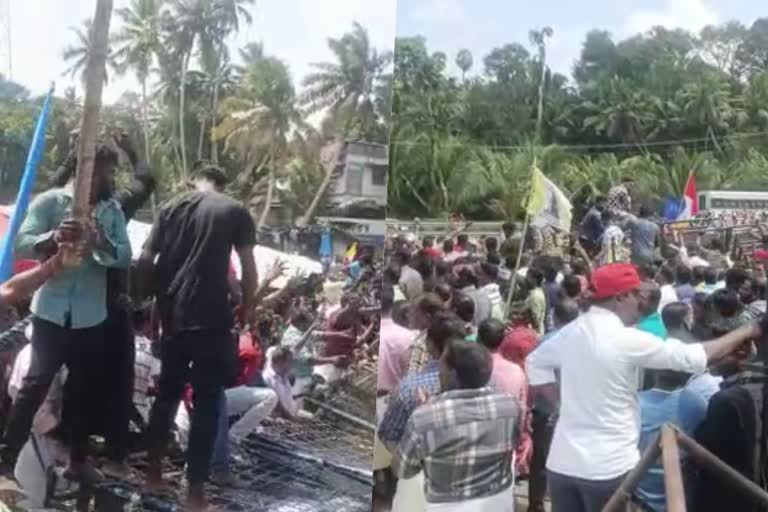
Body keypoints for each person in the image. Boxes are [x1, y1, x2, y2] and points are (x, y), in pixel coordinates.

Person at [527, 263, 761, 512]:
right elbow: (692, 357)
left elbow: (535, 363)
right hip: (607, 469)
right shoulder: (623, 338)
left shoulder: (573, 330)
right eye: (638, 296)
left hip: (562, 465)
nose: (642, 305)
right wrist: (748, 330)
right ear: (621, 297)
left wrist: (562, 403)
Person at [5, 144, 132, 482]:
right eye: (99, 170)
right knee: (36, 382)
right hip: (51, 308)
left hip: (91, 313)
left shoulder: (112, 211)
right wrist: (53, 236)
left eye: (108, 172)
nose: (104, 178)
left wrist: (102, 242)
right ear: (81, 168)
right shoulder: (51, 202)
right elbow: (22, 241)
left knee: (85, 389)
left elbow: (124, 256)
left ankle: (77, 460)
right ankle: (6, 461)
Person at [136, 165, 258, 511]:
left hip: (174, 318)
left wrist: (153, 302)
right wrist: (248, 307)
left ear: (194, 181)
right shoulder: (234, 209)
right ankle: (195, 496)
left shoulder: (171, 207)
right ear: (222, 184)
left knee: (166, 396)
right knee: (206, 403)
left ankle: (154, 477)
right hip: (213, 318)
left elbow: (146, 259)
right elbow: (247, 266)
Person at [392, 340, 521, 511]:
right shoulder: (511, 406)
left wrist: (428, 413)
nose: (438, 373)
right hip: (498, 502)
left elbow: (402, 470)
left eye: (442, 366)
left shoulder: (424, 418)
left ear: (452, 373)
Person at [379, 313, 467, 512]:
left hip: (414, 480)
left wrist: (411, 460)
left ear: (430, 345)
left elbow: (387, 435)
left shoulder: (409, 388)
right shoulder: (482, 383)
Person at [526, 300, 580, 512]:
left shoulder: (546, 341)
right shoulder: (588, 342)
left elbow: (536, 379)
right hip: (574, 412)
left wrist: (529, 406)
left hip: (547, 412)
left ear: (555, 317)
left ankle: (536, 505)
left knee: (540, 462)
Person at [478, 319, 530, 476]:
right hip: (505, 445)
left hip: (476, 442)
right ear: (503, 341)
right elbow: (522, 412)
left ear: (479, 339)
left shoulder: (472, 367)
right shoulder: (517, 372)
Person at [525, 268, 546, 336]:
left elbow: (535, 318)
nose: (525, 279)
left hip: (535, 332)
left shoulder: (535, 296)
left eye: (528, 277)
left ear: (534, 280)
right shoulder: (537, 291)